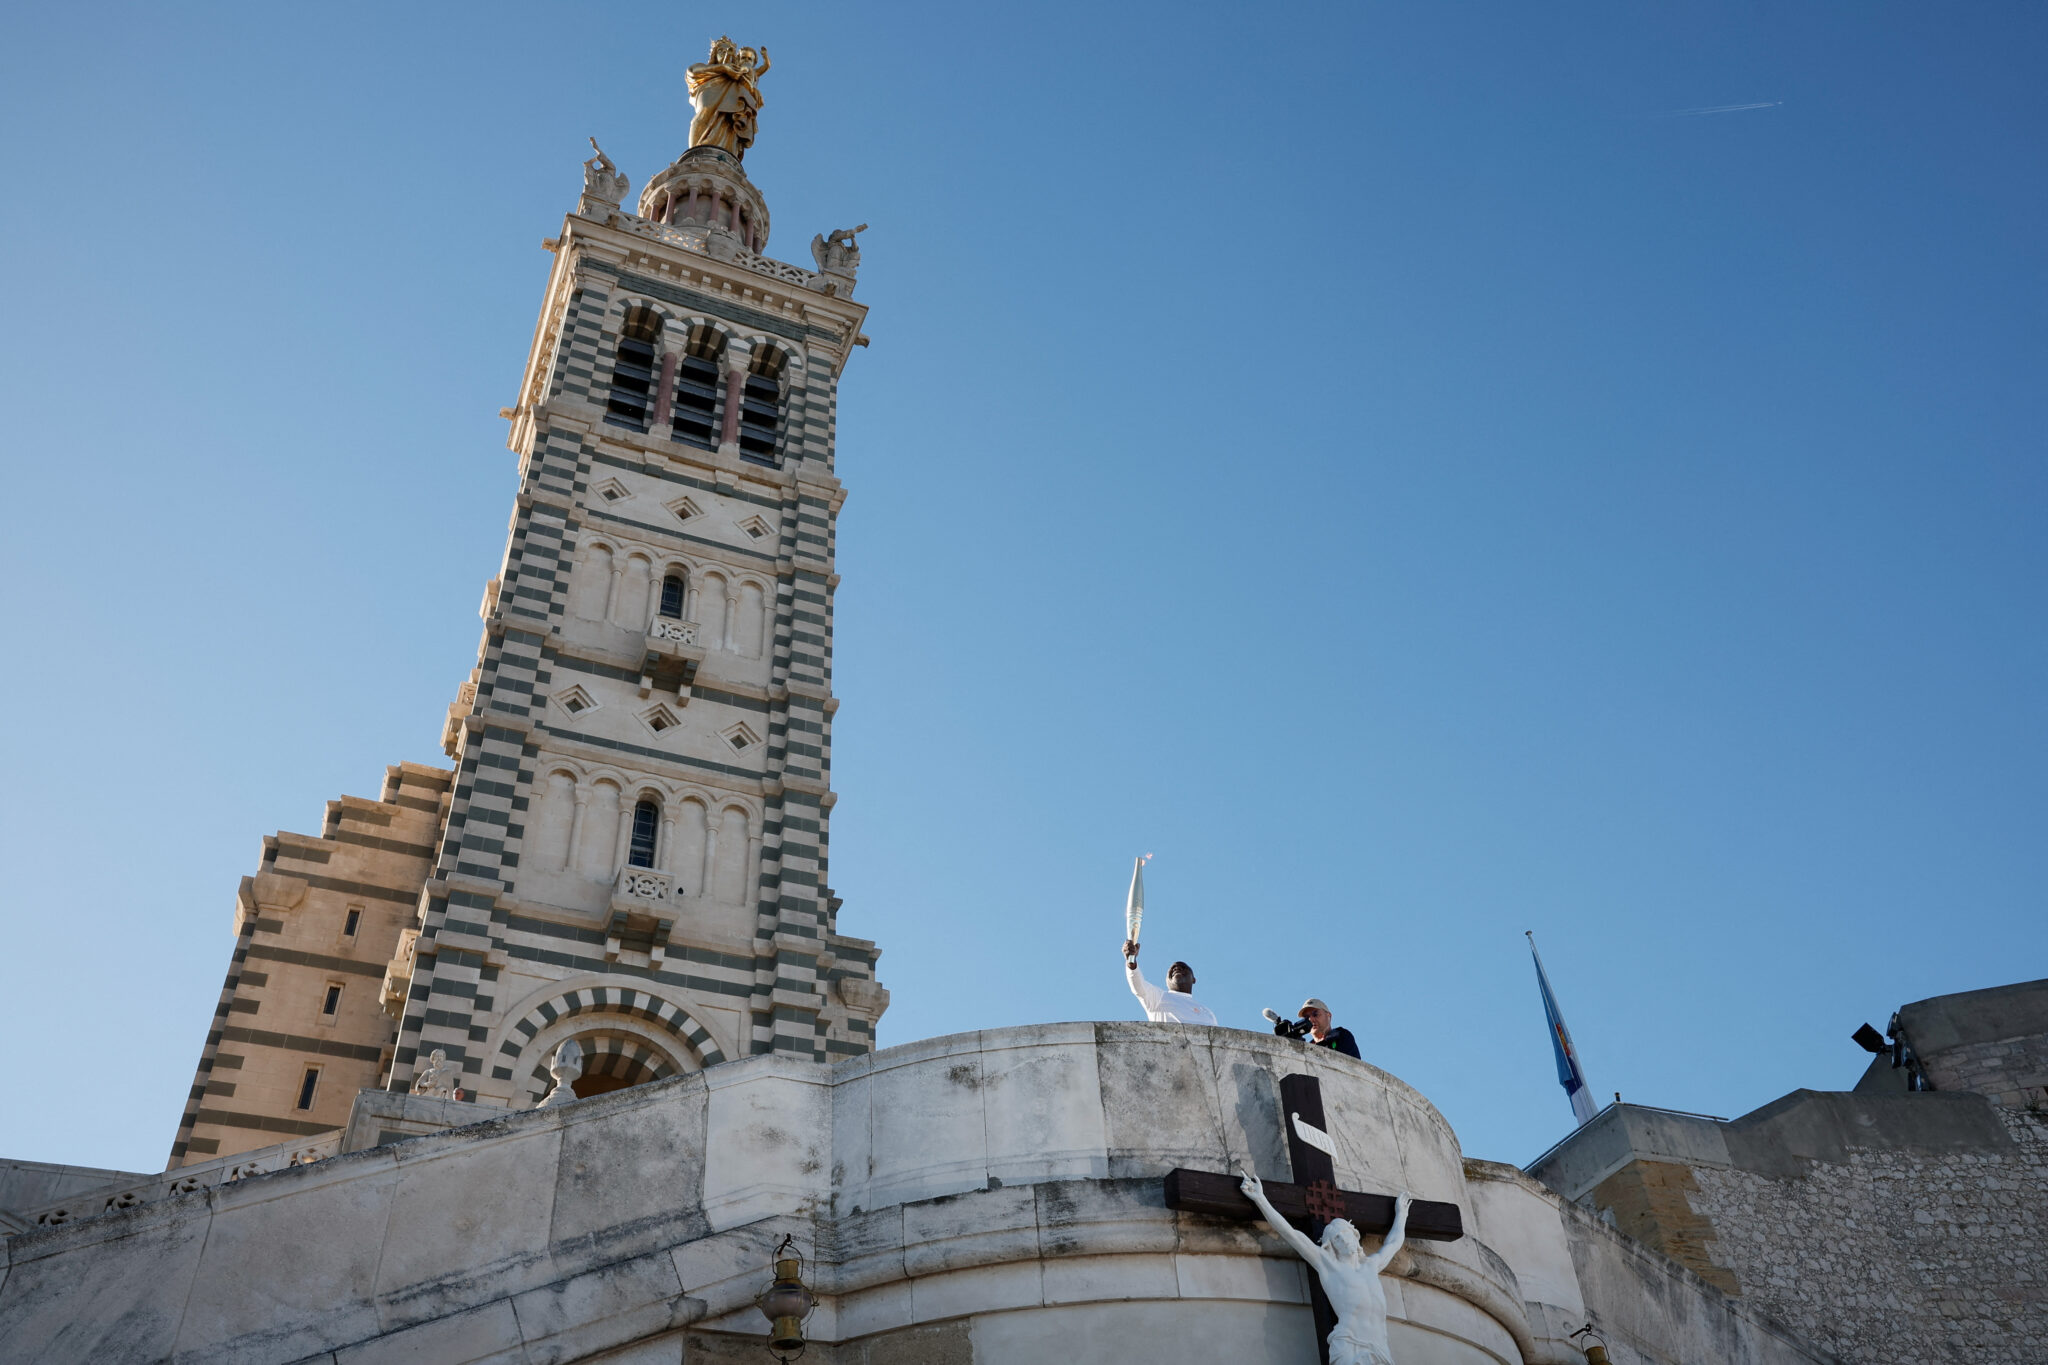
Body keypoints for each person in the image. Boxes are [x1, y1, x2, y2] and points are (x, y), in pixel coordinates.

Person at [1239, 1169, 1410, 1365]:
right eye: (1337, 1238)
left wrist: (1401, 1214)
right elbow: (1290, 1234)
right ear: (1331, 1246)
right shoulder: (1329, 1266)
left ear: (1355, 1236)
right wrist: (1260, 1199)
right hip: (1349, 1344)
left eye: (1345, 1233)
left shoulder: (1371, 1265)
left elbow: (1394, 1243)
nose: (1343, 1240)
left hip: (1380, 1346)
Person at [1121, 940, 1218, 1025]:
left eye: (1183, 967)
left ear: (1194, 979)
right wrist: (1131, 961)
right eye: (1173, 969)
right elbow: (1139, 986)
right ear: (1167, 981)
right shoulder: (1158, 998)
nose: (1177, 968)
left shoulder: (1207, 1013)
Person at [1277, 997, 1361, 1059]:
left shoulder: (1341, 1036)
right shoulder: (1307, 1047)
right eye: (1306, 1018)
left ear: (1328, 1016)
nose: (1310, 1019)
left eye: (1315, 1014)